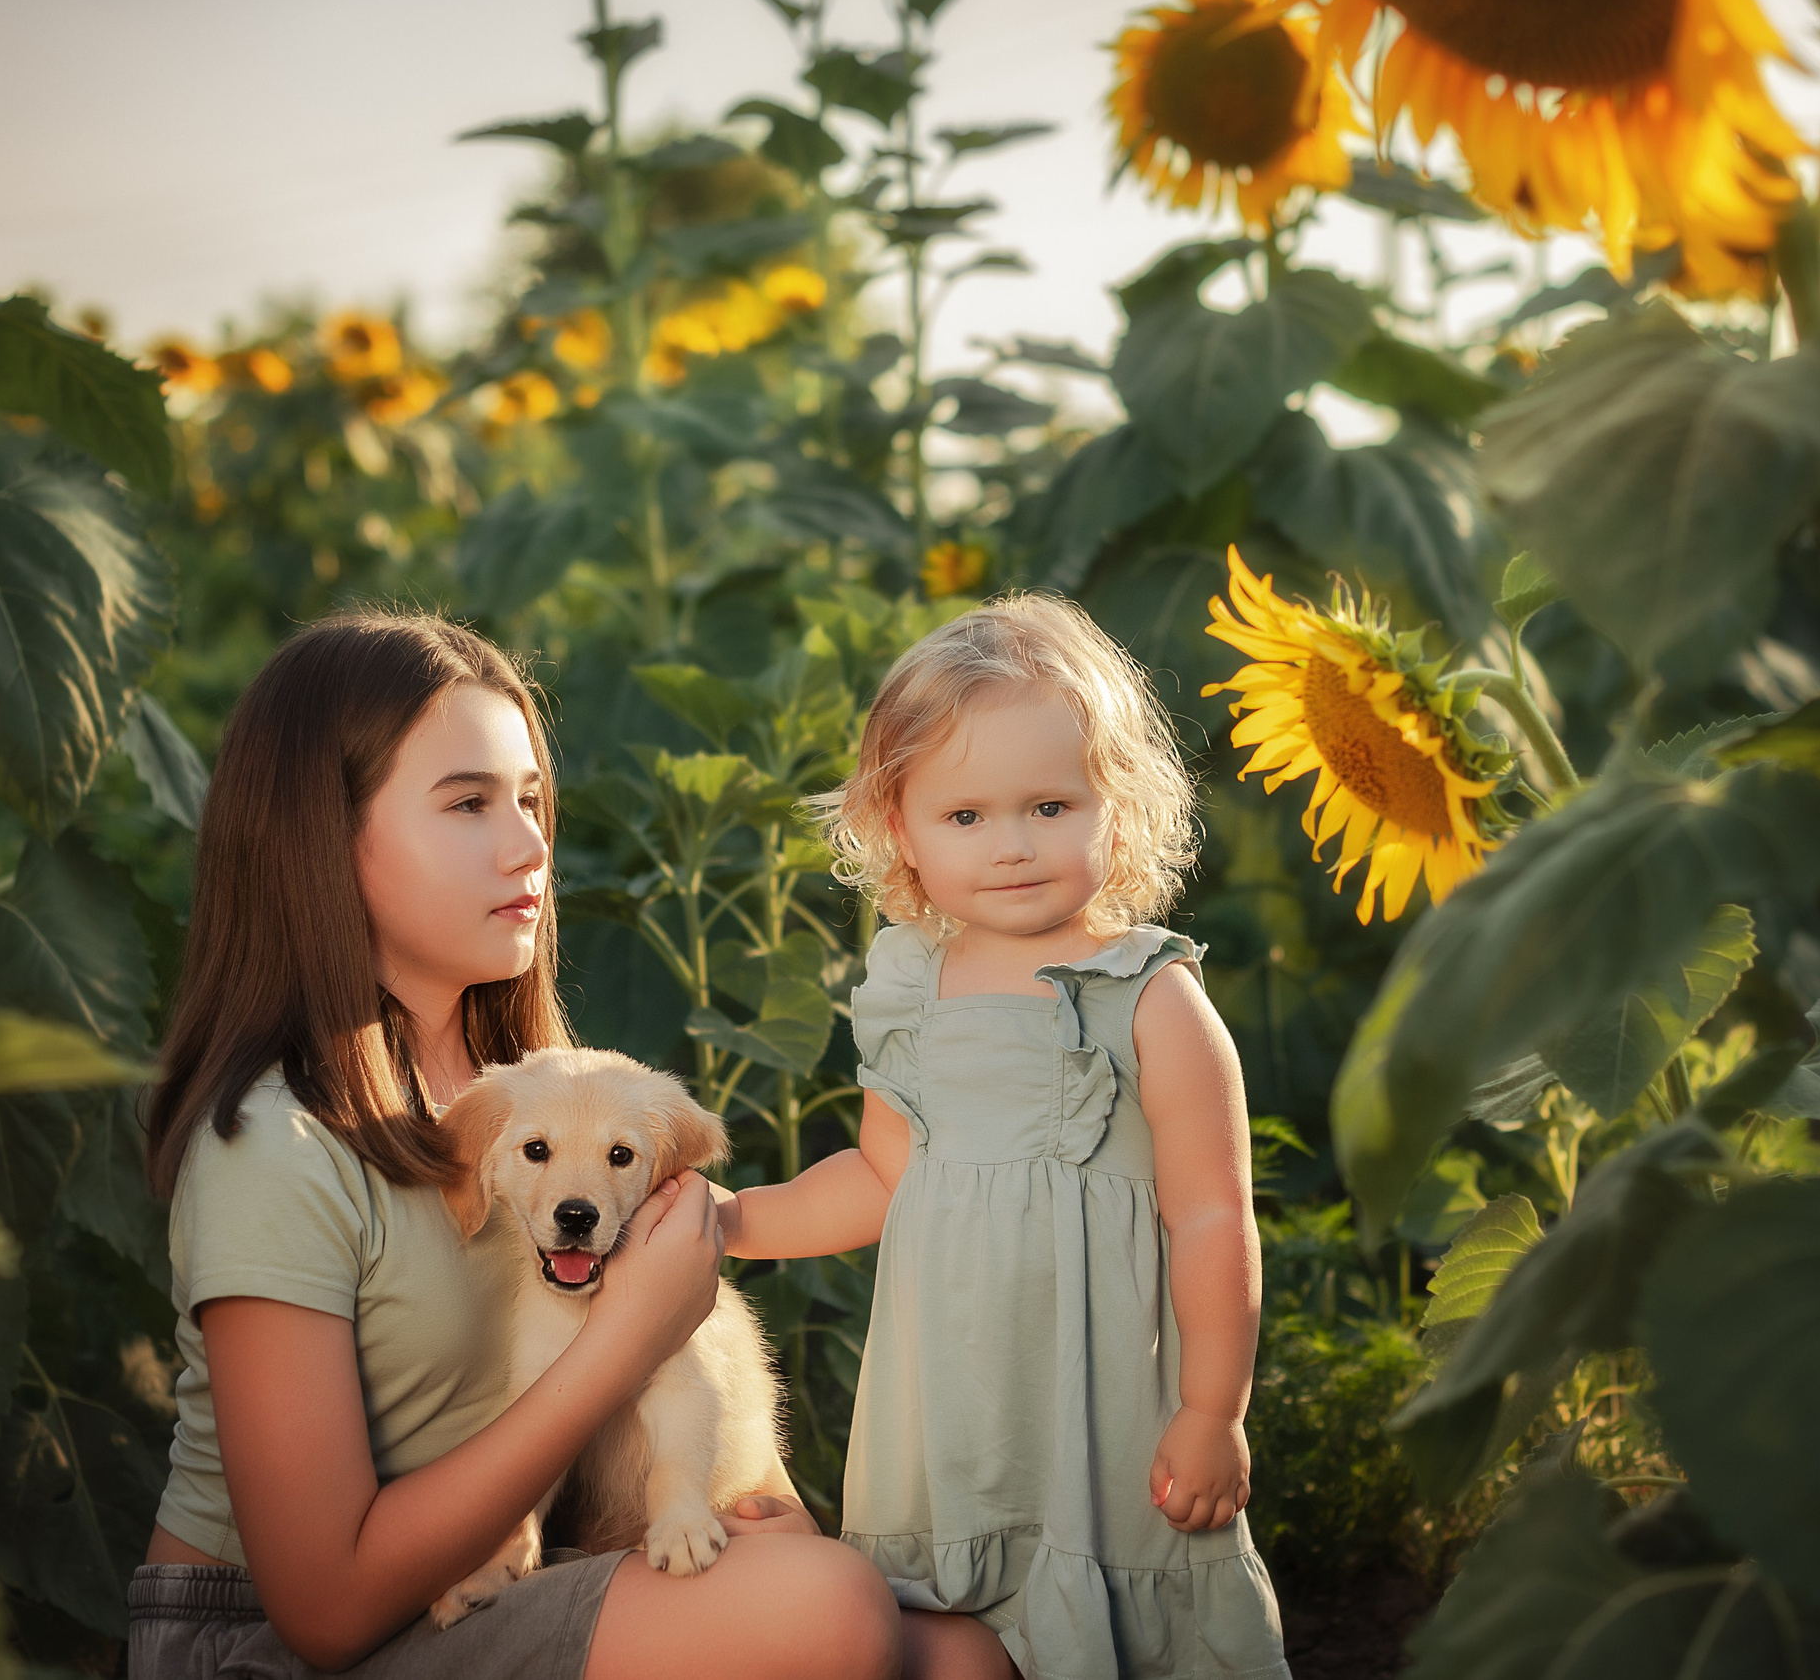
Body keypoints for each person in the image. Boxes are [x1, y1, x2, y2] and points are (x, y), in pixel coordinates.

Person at [127, 611, 901, 1680]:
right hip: (265, 1637)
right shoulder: (278, 1145)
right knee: (831, 1615)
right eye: (467, 803)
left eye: (532, 800)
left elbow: (678, 1371)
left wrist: (738, 1497)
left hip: (504, 1571)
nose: (531, 842)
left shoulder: (548, 1099)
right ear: (320, 835)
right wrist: (622, 1341)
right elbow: (324, 1606)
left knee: (946, 1650)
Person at [718, 595, 1290, 1679]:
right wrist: (733, 1222)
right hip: (951, 1404)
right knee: (949, 1634)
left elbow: (1212, 1213)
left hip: (1099, 1402)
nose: (1012, 846)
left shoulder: (1146, 997)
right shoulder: (907, 991)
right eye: (965, 816)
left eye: (1049, 805)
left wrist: (1214, 1409)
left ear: (1115, 807)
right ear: (900, 830)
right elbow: (883, 1175)